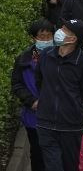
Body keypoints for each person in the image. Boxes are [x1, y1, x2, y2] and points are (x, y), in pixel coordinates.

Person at [36, 19, 83, 171]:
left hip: (70, 126)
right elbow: (39, 80)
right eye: (62, 27)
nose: (60, 30)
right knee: (53, 166)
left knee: (71, 165)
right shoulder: (46, 55)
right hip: (45, 123)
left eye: (65, 29)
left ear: (73, 39)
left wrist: (70, 105)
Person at [11, 19, 55, 171]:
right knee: (37, 153)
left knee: (56, 154)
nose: (46, 40)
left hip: (56, 116)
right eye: (42, 37)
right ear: (33, 38)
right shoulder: (24, 59)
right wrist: (31, 101)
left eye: (49, 36)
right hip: (33, 116)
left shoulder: (60, 56)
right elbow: (17, 85)